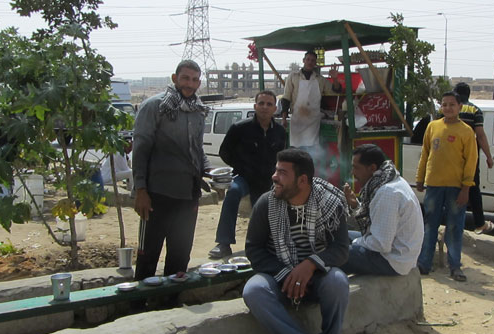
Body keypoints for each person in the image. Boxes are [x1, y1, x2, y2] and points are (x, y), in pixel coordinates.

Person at [242, 148, 349, 334]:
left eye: (282, 173)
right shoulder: (266, 203)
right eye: (276, 170)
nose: (274, 177)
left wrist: (309, 265)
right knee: (254, 291)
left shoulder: (330, 203)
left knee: (338, 282)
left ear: (302, 180)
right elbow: (254, 249)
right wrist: (286, 274)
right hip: (279, 276)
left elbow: (341, 249)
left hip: (317, 276)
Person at [132, 60, 210, 281]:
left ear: (199, 83)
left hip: (188, 195)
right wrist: (140, 190)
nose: (189, 84)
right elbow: (140, 150)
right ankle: (141, 302)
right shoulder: (154, 106)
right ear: (175, 78)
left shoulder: (198, 110)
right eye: (185, 78)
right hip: (156, 195)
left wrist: (210, 171)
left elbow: (197, 149)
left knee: (180, 257)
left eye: (194, 80)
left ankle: (170, 301)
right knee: (148, 256)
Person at [208, 90, 287, 259]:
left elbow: (282, 157)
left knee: (276, 205)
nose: (265, 107)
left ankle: (269, 244)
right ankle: (223, 243)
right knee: (233, 193)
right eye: (261, 103)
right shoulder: (240, 128)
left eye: (269, 104)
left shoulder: (280, 131)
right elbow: (224, 152)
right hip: (244, 177)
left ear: (275, 109)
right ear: (255, 106)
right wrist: (242, 167)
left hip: (268, 180)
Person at [416, 92, 477, 282]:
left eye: (452, 104)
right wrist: (420, 178)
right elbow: (425, 154)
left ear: (460, 107)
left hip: (456, 188)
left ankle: (455, 266)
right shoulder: (433, 126)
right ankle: (424, 263)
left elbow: (471, 162)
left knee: (454, 228)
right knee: (429, 226)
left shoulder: (466, 131)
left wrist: (466, 188)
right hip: (434, 185)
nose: (448, 108)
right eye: (444, 104)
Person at [341, 144, 424, 276]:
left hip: (393, 260)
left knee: (336, 253)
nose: (353, 173)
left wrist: (355, 243)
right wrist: (355, 205)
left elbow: (380, 244)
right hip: (393, 251)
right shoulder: (389, 180)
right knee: (339, 235)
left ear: (372, 168)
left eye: (356, 168)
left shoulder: (387, 192)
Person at [453, 82, 494, 234]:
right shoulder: (475, 110)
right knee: (473, 188)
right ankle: (479, 223)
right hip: (470, 156)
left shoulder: (448, 109)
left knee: (451, 189)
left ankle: (453, 221)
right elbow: (481, 136)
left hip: (451, 155)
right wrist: (489, 157)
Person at [280, 51, 342, 150]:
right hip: (297, 120)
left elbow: (336, 91)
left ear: (315, 63)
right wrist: (284, 118)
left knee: (311, 150)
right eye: (308, 59)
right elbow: (286, 98)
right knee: (296, 150)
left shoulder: (320, 79)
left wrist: (335, 79)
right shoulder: (293, 76)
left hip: (313, 121)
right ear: (303, 60)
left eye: (313, 60)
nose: (310, 62)